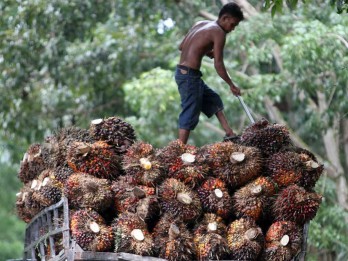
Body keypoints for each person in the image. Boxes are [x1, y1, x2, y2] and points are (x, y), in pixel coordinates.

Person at [175, 2, 244, 144]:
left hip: (185, 74)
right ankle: (179, 149)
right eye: (232, 25)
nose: (232, 29)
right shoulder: (218, 33)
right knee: (190, 110)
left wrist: (206, 51)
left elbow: (182, 47)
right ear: (225, 18)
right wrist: (231, 85)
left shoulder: (201, 23)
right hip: (189, 76)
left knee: (213, 99)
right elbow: (218, 64)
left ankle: (229, 133)